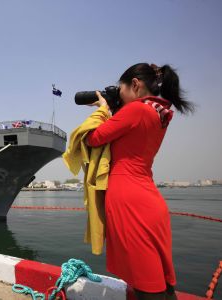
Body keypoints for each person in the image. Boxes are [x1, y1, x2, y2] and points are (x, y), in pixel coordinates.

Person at [85, 63, 194, 300]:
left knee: (148, 288)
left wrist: (103, 109)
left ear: (135, 84)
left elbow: (93, 138)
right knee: (161, 282)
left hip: (128, 199)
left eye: (121, 89)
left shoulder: (135, 111)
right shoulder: (157, 113)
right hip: (149, 198)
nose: (119, 94)